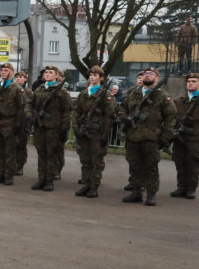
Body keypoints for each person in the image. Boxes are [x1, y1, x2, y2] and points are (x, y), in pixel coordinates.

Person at [120, 67, 176, 205]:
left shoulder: (162, 95)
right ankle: (136, 192)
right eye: (145, 73)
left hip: (151, 138)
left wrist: (165, 137)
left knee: (151, 167)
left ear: (156, 79)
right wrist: (123, 119)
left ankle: (151, 195)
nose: (148, 75)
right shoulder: (133, 93)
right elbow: (122, 108)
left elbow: (171, 117)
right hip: (133, 136)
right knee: (134, 166)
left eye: (151, 74)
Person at [72, 66, 118, 198]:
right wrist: (75, 128)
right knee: (85, 160)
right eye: (91, 75)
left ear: (101, 78)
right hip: (84, 132)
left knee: (96, 161)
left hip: (97, 134)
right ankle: (86, 184)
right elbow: (76, 112)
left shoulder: (106, 95)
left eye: (95, 75)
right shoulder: (84, 94)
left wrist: (105, 135)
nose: (92, 77)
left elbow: (109, 116)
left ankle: (94, 186)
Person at [29, 65, 72, 191]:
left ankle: (49, 180)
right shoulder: (39, 89)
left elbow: (67, 111)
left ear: (57, 75)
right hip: (40, 126)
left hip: (54, 128)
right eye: (46, 72)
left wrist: (64, 129)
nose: (47, 74)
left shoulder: (61, 91)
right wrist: (30, 116)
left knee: (51, 154)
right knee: (41, 153)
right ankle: (41, 178)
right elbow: (31, 105)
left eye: (50, 72)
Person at [0, 63, 26, 185]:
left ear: (12, 73)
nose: (3, 72)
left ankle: (9, 174)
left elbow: (21, 107)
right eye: (2, 70)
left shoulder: (16, 88)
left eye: (6, 70)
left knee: (9, 150)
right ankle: (0, 172)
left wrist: (19, 123)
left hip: (10, 122)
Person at [169, 73, 199, 199]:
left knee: (192, 164)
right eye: (188, 81)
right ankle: (181, 187)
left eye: (194, 81)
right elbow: (172, 117)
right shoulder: (178, 100)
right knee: (179, 162)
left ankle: (191, 189)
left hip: (195, 137)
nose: (190, 83)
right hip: (179, 137)